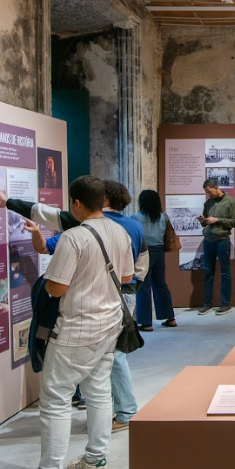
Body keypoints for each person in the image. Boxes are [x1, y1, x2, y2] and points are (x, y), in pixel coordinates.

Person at [5, 176, 134, 469]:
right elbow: (126, 278)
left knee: (56, 401)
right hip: (108, 326)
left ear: (77, 203)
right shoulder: (120, 231)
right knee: (98, 392)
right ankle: (95, 460)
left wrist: (59, 286)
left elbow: (55, 288)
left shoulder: (73, 238)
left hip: (75, 331)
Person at [100, 180, 147, 432]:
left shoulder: (95, 226)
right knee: (112, 352)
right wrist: (132, 289)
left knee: (113, 353)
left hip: (107, 296)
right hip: (126, 293)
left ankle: (126, 410)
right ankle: (117, 408)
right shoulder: (134, 226)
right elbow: (142, 264)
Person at [135, 189, 175, 329]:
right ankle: (170, 318)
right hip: (159, 252)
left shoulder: (136, 217)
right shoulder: (163, 217)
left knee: (144, 286)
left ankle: (146, 323)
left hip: (144, 252)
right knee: (161, 284)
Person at [198, 177, 235, 315]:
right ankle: (207, 303)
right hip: (208, 240)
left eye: (209, 191)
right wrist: (203, 221)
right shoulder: (208, 203)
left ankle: (225, 304)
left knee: (225, 272)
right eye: (206, 192)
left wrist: (218, 220)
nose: (208, 195)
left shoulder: (230, 201)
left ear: (216, 187)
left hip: (222, 240)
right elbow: (205, 223)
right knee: (208, 272)